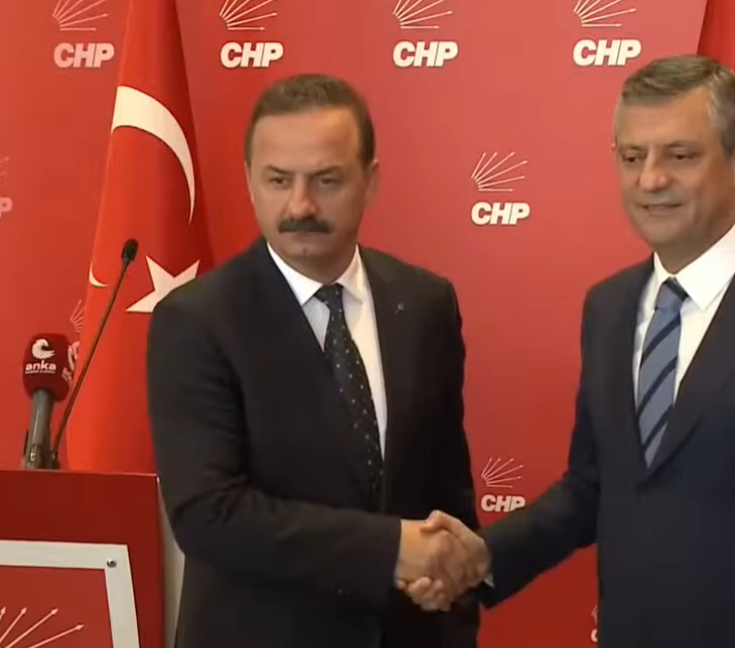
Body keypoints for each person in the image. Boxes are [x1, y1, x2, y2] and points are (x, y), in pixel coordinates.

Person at [405, 55, 735, 648]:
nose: (650, 180)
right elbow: (593, 487)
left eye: (680, 156)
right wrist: (483, 556)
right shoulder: (609, 307)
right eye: (632, 156)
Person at [146, 73, 483, 648]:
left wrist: (453, 578)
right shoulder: (196, 321)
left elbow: (445, 490)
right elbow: (209, 515)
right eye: (279, 180)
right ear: (250, 181)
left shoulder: (425, 303)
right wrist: (391, 550)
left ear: (370, 182)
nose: (300, 205)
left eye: (326, 180)